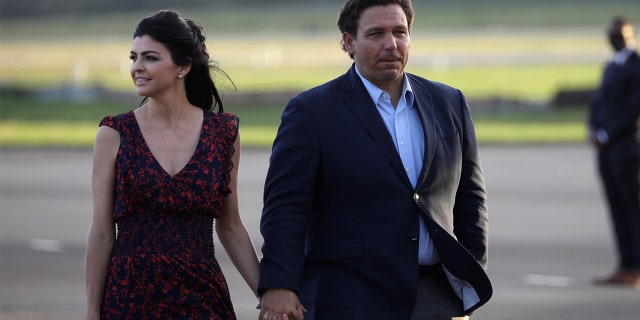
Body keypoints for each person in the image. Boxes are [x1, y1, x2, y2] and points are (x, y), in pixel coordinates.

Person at [257, 1, 492, 319]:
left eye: (399, 32)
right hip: (349, 298)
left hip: (437, 297)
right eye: (376, 33)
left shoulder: (449, 102)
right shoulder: (311, 112)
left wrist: (470, 270)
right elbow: (285, 209)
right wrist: (280, 284)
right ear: (349, 42)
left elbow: (471, 200)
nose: (391, 44)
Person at [84, 10, 260, 319]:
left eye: (150, 58)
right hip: (129, 297)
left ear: (183, 66)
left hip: (203, 295)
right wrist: (91, 312)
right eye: (134, 57)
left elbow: (230, 225)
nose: (137, 67)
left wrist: (268, 293)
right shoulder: (113, 134)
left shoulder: (222, 133)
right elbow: (101, 232)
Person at [588, 16, 640, 289]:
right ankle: (625, 264)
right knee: (617, 208)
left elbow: (633, 108)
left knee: (632, 208)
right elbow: (599, 103)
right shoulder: (611, 65)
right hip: (607, 151)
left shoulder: (636, 66)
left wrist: (608, 133)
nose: (616, 39)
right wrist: (593, 130)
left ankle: (636, 266)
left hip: (626, 148)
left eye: (620, 34)